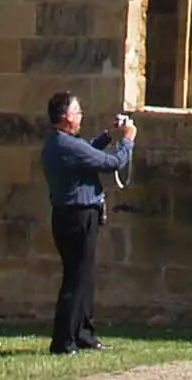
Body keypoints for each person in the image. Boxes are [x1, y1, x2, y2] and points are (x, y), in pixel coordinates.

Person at [39, 91, 136, 353]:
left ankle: (83, 333)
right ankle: (63, 341)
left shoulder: (60, 143)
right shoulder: (65, 145)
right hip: (77, 216)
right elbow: (112, 162)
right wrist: (127, 141)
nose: (81, 116)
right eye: (78, 112)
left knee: (83, 277)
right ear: (66, 117)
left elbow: (88, 152)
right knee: (75, 278)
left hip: (72, 216)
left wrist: (108, 135)